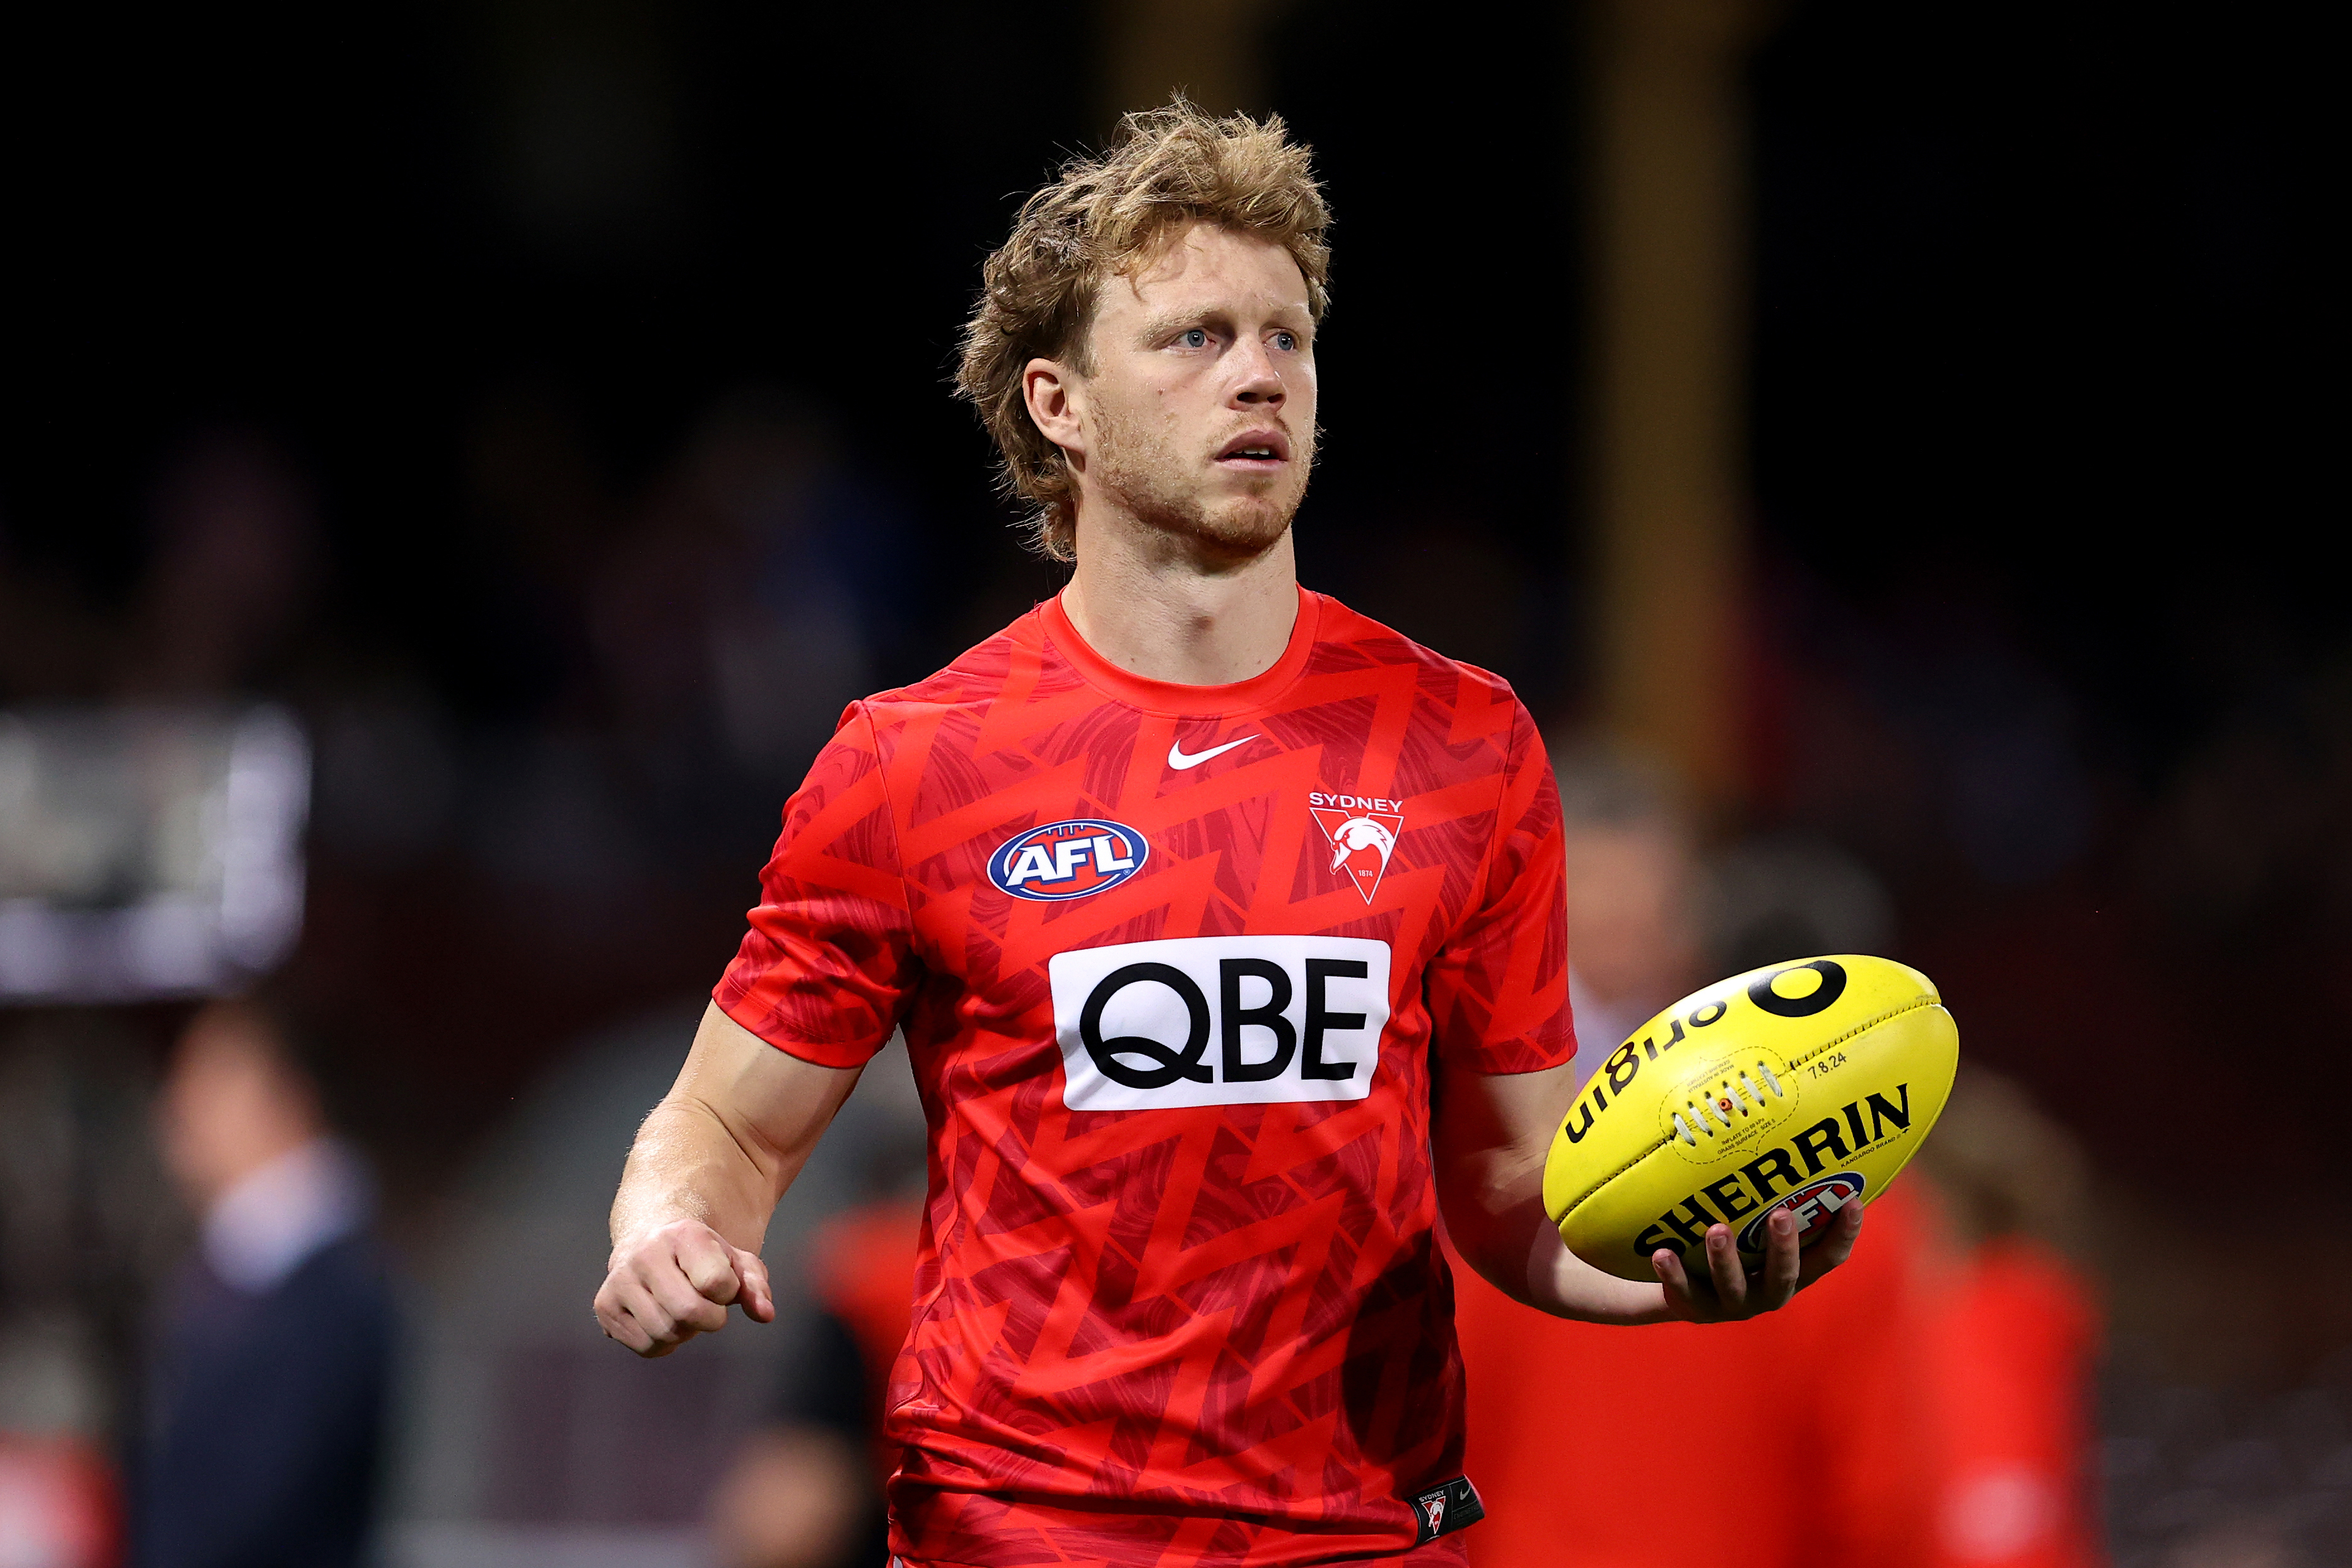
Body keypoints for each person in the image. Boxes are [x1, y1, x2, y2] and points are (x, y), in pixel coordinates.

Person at [592, 100, 1862, 1566]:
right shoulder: (913, 764)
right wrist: (659, 1226)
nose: (1256, 372)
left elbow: (1512, 1190)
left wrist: (1663, 1284)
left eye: (1284, 336)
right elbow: (726, 1129)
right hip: (1025, 1535)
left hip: (1365, 1532)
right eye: (1194, 337)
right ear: (1059, 405)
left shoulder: (1461, 742)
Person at [137, 997, 394, 1568]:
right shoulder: (239, 1270)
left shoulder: (329, 1292)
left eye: (211, 1077)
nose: (180, 1107)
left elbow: (250, 1509)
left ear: (289, 1097)